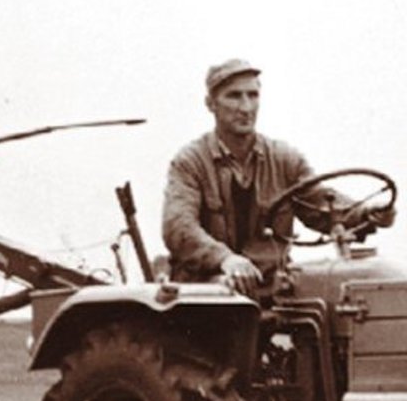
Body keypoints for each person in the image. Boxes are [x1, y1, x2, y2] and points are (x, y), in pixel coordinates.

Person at [162, 59, 394, 293]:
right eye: (234, 96)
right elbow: (179, 227)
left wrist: (367, 213)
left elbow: (323, 205)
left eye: (253, 95)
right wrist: (225, 259)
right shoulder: (191, 162)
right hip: (209, 293)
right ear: (211, 104)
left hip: (274, 291)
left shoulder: (285, 160)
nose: (246, 107)